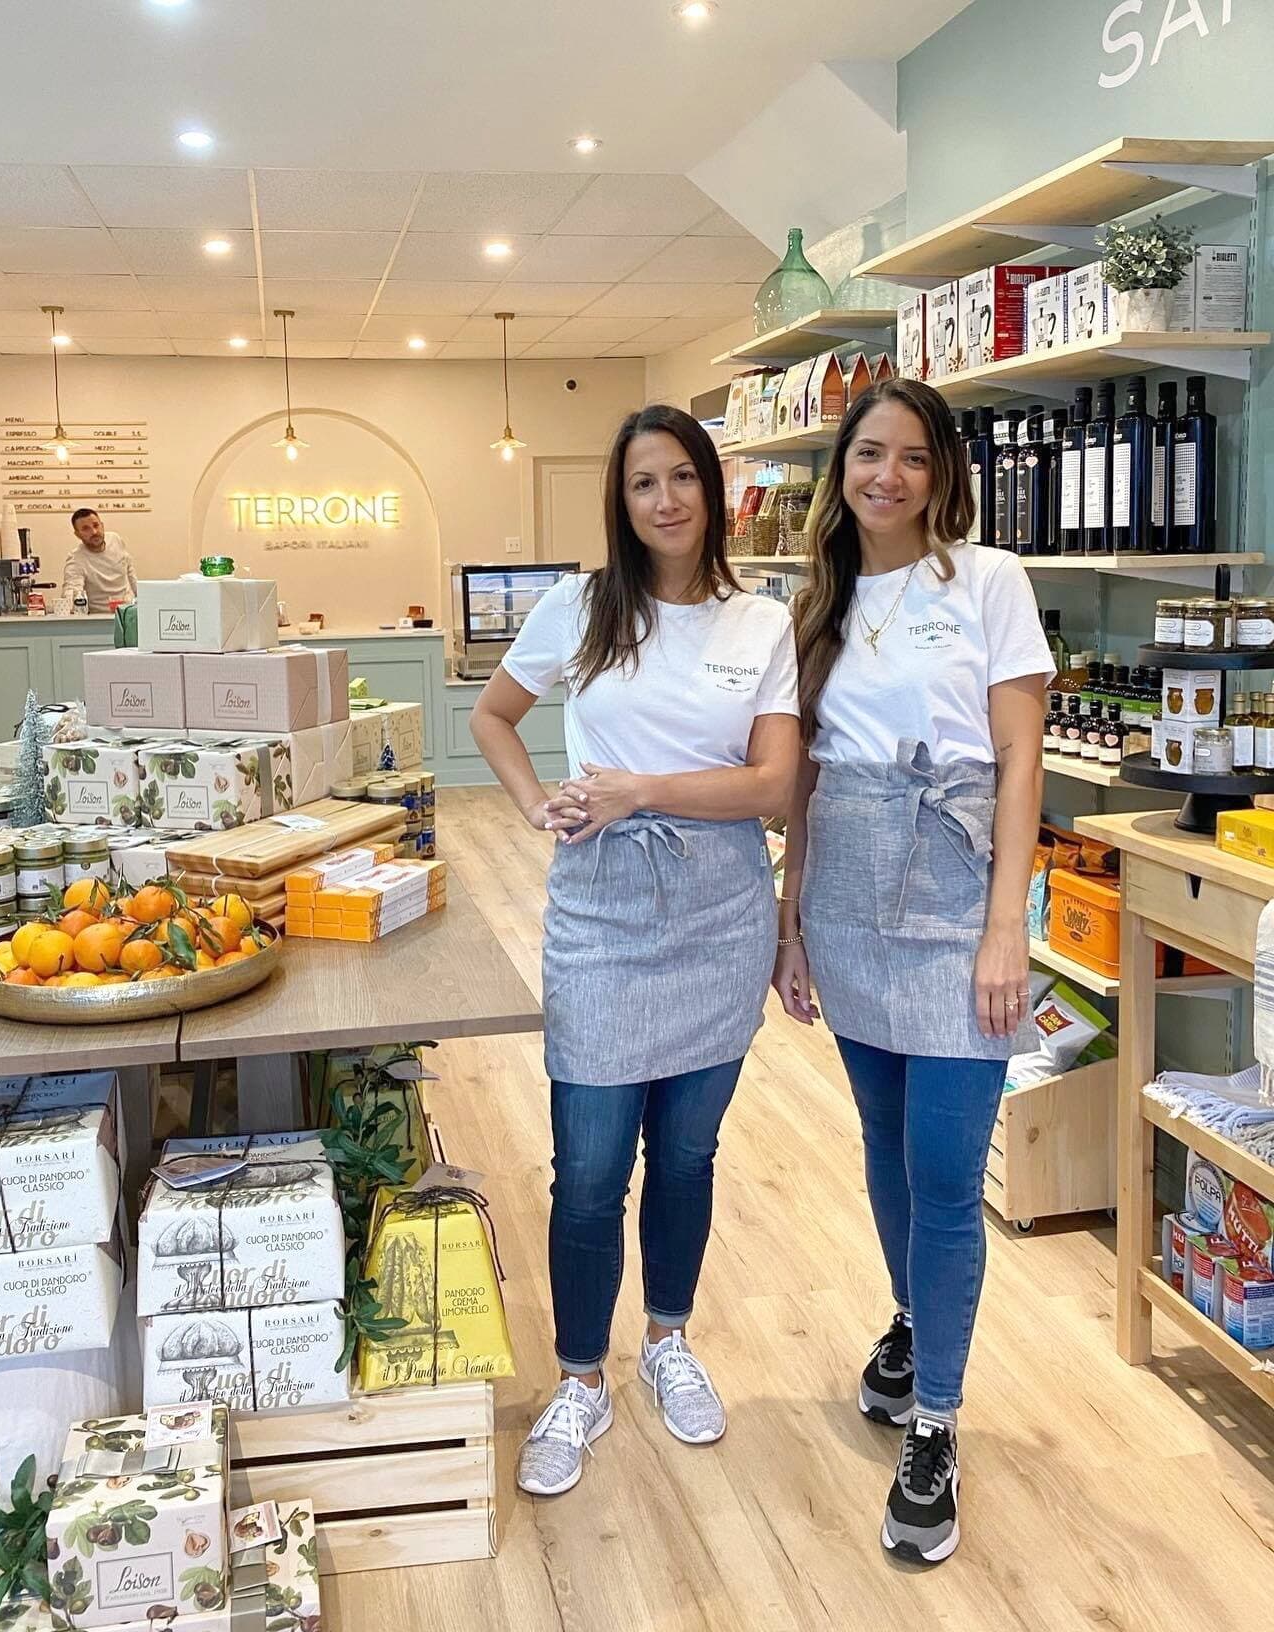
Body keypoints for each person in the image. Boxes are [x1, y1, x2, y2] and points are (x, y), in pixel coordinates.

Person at [471, 403, 800, 1498]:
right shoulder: (581, 607)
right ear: (621, 503)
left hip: (719, 908)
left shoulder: (761, 623)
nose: (664, 501)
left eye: (680, 479)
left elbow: (774, 785)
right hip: (603, 916)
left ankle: (666, 1342)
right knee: (590, 1171)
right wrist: (532, 809)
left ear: (713, 488)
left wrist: (641, 789)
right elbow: (494, 718)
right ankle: (580, 1377)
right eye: (641, 485)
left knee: (691, 1155)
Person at [773, 377, 1050, 1566]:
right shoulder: (818, 604)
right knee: (885, 1149)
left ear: (945, 476)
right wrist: (790, 925)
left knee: (945, 1173)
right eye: (870, 454)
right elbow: (801, 782)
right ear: (843, 469)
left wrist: (1005, 931)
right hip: (844, 891)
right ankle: (912, 1325)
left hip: (953, 896)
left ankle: (936, 1423)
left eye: (915, 458)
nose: (889, 476)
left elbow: (1021, 760)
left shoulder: (988, 582)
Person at [60, 508, 138, 610]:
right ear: (77, 534)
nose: (94, 532)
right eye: (85, 528)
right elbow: (72, 591)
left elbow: (130, 572)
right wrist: (69, 602)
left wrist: (144, 600)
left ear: (102, 525)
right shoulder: (76, 560)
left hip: (128, 612)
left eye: (96, 525)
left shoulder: (115, 539)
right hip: (98, 618)